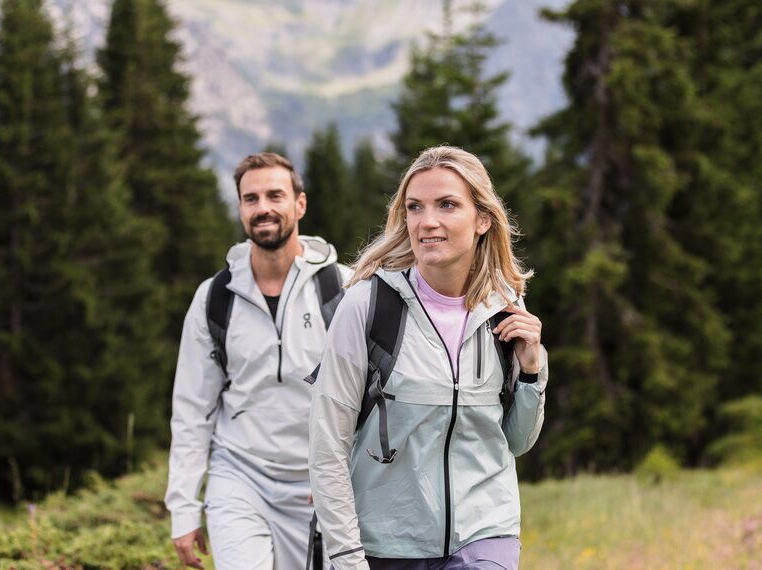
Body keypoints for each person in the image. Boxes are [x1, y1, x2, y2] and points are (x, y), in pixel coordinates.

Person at [309, 145, 548, 570]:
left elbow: (515, 441)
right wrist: (346, 555)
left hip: (485, 534)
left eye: (447, 205)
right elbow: (329, 444)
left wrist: (532, 371)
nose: (427, 221)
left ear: (483, 219)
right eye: (415, 207)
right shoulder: (367, 306)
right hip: (387, 544)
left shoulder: (506, 307)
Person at [165, 152, 350, 569]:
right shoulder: (215, 297)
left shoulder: (344, 289)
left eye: (274, 195)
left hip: (318, 487)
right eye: (250, 198)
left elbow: (373, 399)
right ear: (241, 208)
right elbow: (192, 409)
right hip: (239, 478)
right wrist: (183, 508)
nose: (262, 208)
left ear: (299, 204)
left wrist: (342, 477)